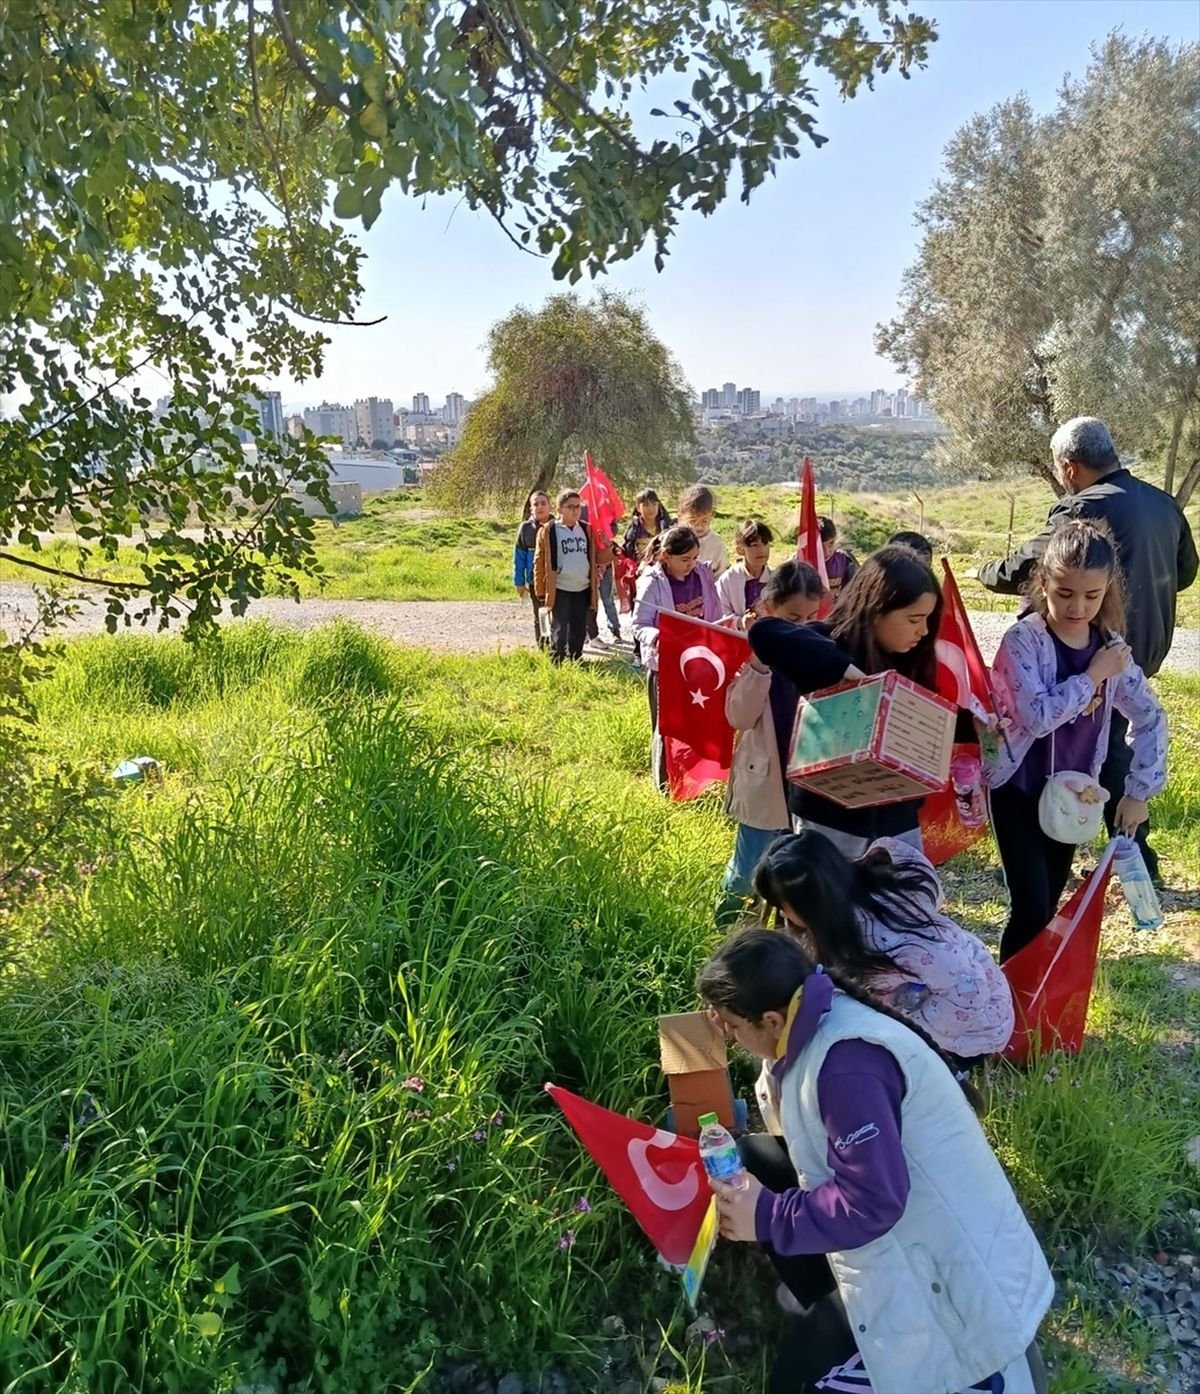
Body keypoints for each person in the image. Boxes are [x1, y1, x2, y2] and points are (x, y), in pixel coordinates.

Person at [698, 929, 1052, 1394]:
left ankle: (963, 1372)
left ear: (770, 1019)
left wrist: (765, 1215)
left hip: (943, 1277)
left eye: (731, 1025)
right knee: (757, 1157)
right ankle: (840, 1317)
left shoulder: (846, 1067)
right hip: (907, 1234)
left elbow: (871, 1203)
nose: (726, 1034)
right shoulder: (817, 1019)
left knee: (794, 1383)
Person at [978, 417, 1195, 885]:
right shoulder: (1164, 504)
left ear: (1070, 467)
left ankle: (1115, 848)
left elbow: (1032, 566)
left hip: (1091, 654)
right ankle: (1111, 851)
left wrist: (986, 572)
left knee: (1099, 748)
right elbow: (1186, 572)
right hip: (1143, 647)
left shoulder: (1078, 509)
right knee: (1105, 743)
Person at [984, 520, 1167, 963]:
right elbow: (1037, 716)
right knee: (1029, 907)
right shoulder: (1022, 642)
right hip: (1018, 789)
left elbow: (1151, 714)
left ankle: (1031, 1005)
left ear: (1108, 591)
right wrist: (1091, 678)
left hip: (1074, 798)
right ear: (1043, 583)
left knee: (1047, 906)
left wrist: (1139, 791)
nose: (1078, 607)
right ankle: (1005, 1009)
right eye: (1064, 593)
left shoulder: (1110, 648)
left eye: (1092, 595)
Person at [749, 546, 979, 858]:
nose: (923, 631)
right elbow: (765, 632)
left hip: (898, 825)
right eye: (914, 619)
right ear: (876, 609)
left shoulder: (912, 660)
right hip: (831, 824)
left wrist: (975, 726)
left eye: (927, 619)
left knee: (898, 906)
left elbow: (924, 719)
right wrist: (845, 672)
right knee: (833, 906)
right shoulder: (828, 644)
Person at [753, 829, 1014, 1063]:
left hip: (974, 1028)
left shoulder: (888, 937)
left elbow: (969, 990)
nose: (784, 917)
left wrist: (913, 1034)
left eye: (782, 907)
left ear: (811, 905)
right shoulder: (847, 912)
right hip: (930, 1000)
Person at [717, 561, 825, 924]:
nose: (802, 628)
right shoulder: (756, 656)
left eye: (810, 618)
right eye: (792, 618)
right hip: (763, 781)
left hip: (806, 784)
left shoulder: (820, 654)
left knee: (792, 872)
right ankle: (727, 933)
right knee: (747, 869)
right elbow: (739, 717)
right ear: (768, 610)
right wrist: (759, 666)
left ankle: (776, 939)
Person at [633, 525, 723, 791]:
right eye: (685, 560)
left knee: (696, 724)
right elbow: (639, 624)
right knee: (666, 729)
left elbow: (715, 615)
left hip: (699, 664)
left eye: (695, 558)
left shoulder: (703, 574)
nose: (691, 564)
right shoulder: (652, 582)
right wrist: (658, 637)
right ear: (665, 557)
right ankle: (664, 787)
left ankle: (692, 780)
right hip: (666, 668)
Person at [533, 489, 606, 665]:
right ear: (559, 509)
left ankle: (576, 658)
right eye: (570, 507)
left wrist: (610, 548)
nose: (575, 510)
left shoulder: (586, 530)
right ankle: (557, 661)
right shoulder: (549, 530)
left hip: (582, 587)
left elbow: (598, 557)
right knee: (559, 626)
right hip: (560, 588)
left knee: (579, 626)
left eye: (578, 507)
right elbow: (539, 561)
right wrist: (540, 591)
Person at [716, 518, 775, 628]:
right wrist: (739, 622)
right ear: (740, 550)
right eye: (754, 545)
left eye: (765, 544)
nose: (761, 550)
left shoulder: (776, 580)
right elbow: (719, 613)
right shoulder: (728, 579)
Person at [579, 502, 623, 645]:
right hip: (588, 564)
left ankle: (615, 630)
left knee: (607, 598)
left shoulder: (603, 509)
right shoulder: (582, 511)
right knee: (589, 601)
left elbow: (614, 529)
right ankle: (589, 633)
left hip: (605, 564)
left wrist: (606, 532)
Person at [513, 490, 552, 649]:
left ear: (550, 507)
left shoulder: (557, 526)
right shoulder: (525, 529)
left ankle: (557, 645)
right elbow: (519, 558)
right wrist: (519, 582)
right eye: (536, 504)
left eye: (543, 503)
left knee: (557, 615)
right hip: (535, 580)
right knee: (540, 615)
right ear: (531, 509)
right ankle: (543, 647)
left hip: (555, 580)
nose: (540, 507)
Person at [678, 484, 730, 577]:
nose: (699, 526)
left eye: (704, 521)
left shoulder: (716, 543)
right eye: (693, 521)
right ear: (681, 515)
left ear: (712, 515)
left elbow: (721, 575)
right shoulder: (674, 540)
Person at [622, 488, 672, 565]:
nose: (650, 508)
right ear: (638, 508)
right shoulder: (633, 530)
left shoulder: (667, 527)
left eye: (654, 504)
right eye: (645, 505)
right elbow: (627, 551)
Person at [818, 516, 858, 596]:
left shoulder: (846, 561)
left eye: (831, 543)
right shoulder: (801, 564)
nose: (826, 552)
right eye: (819, 546)